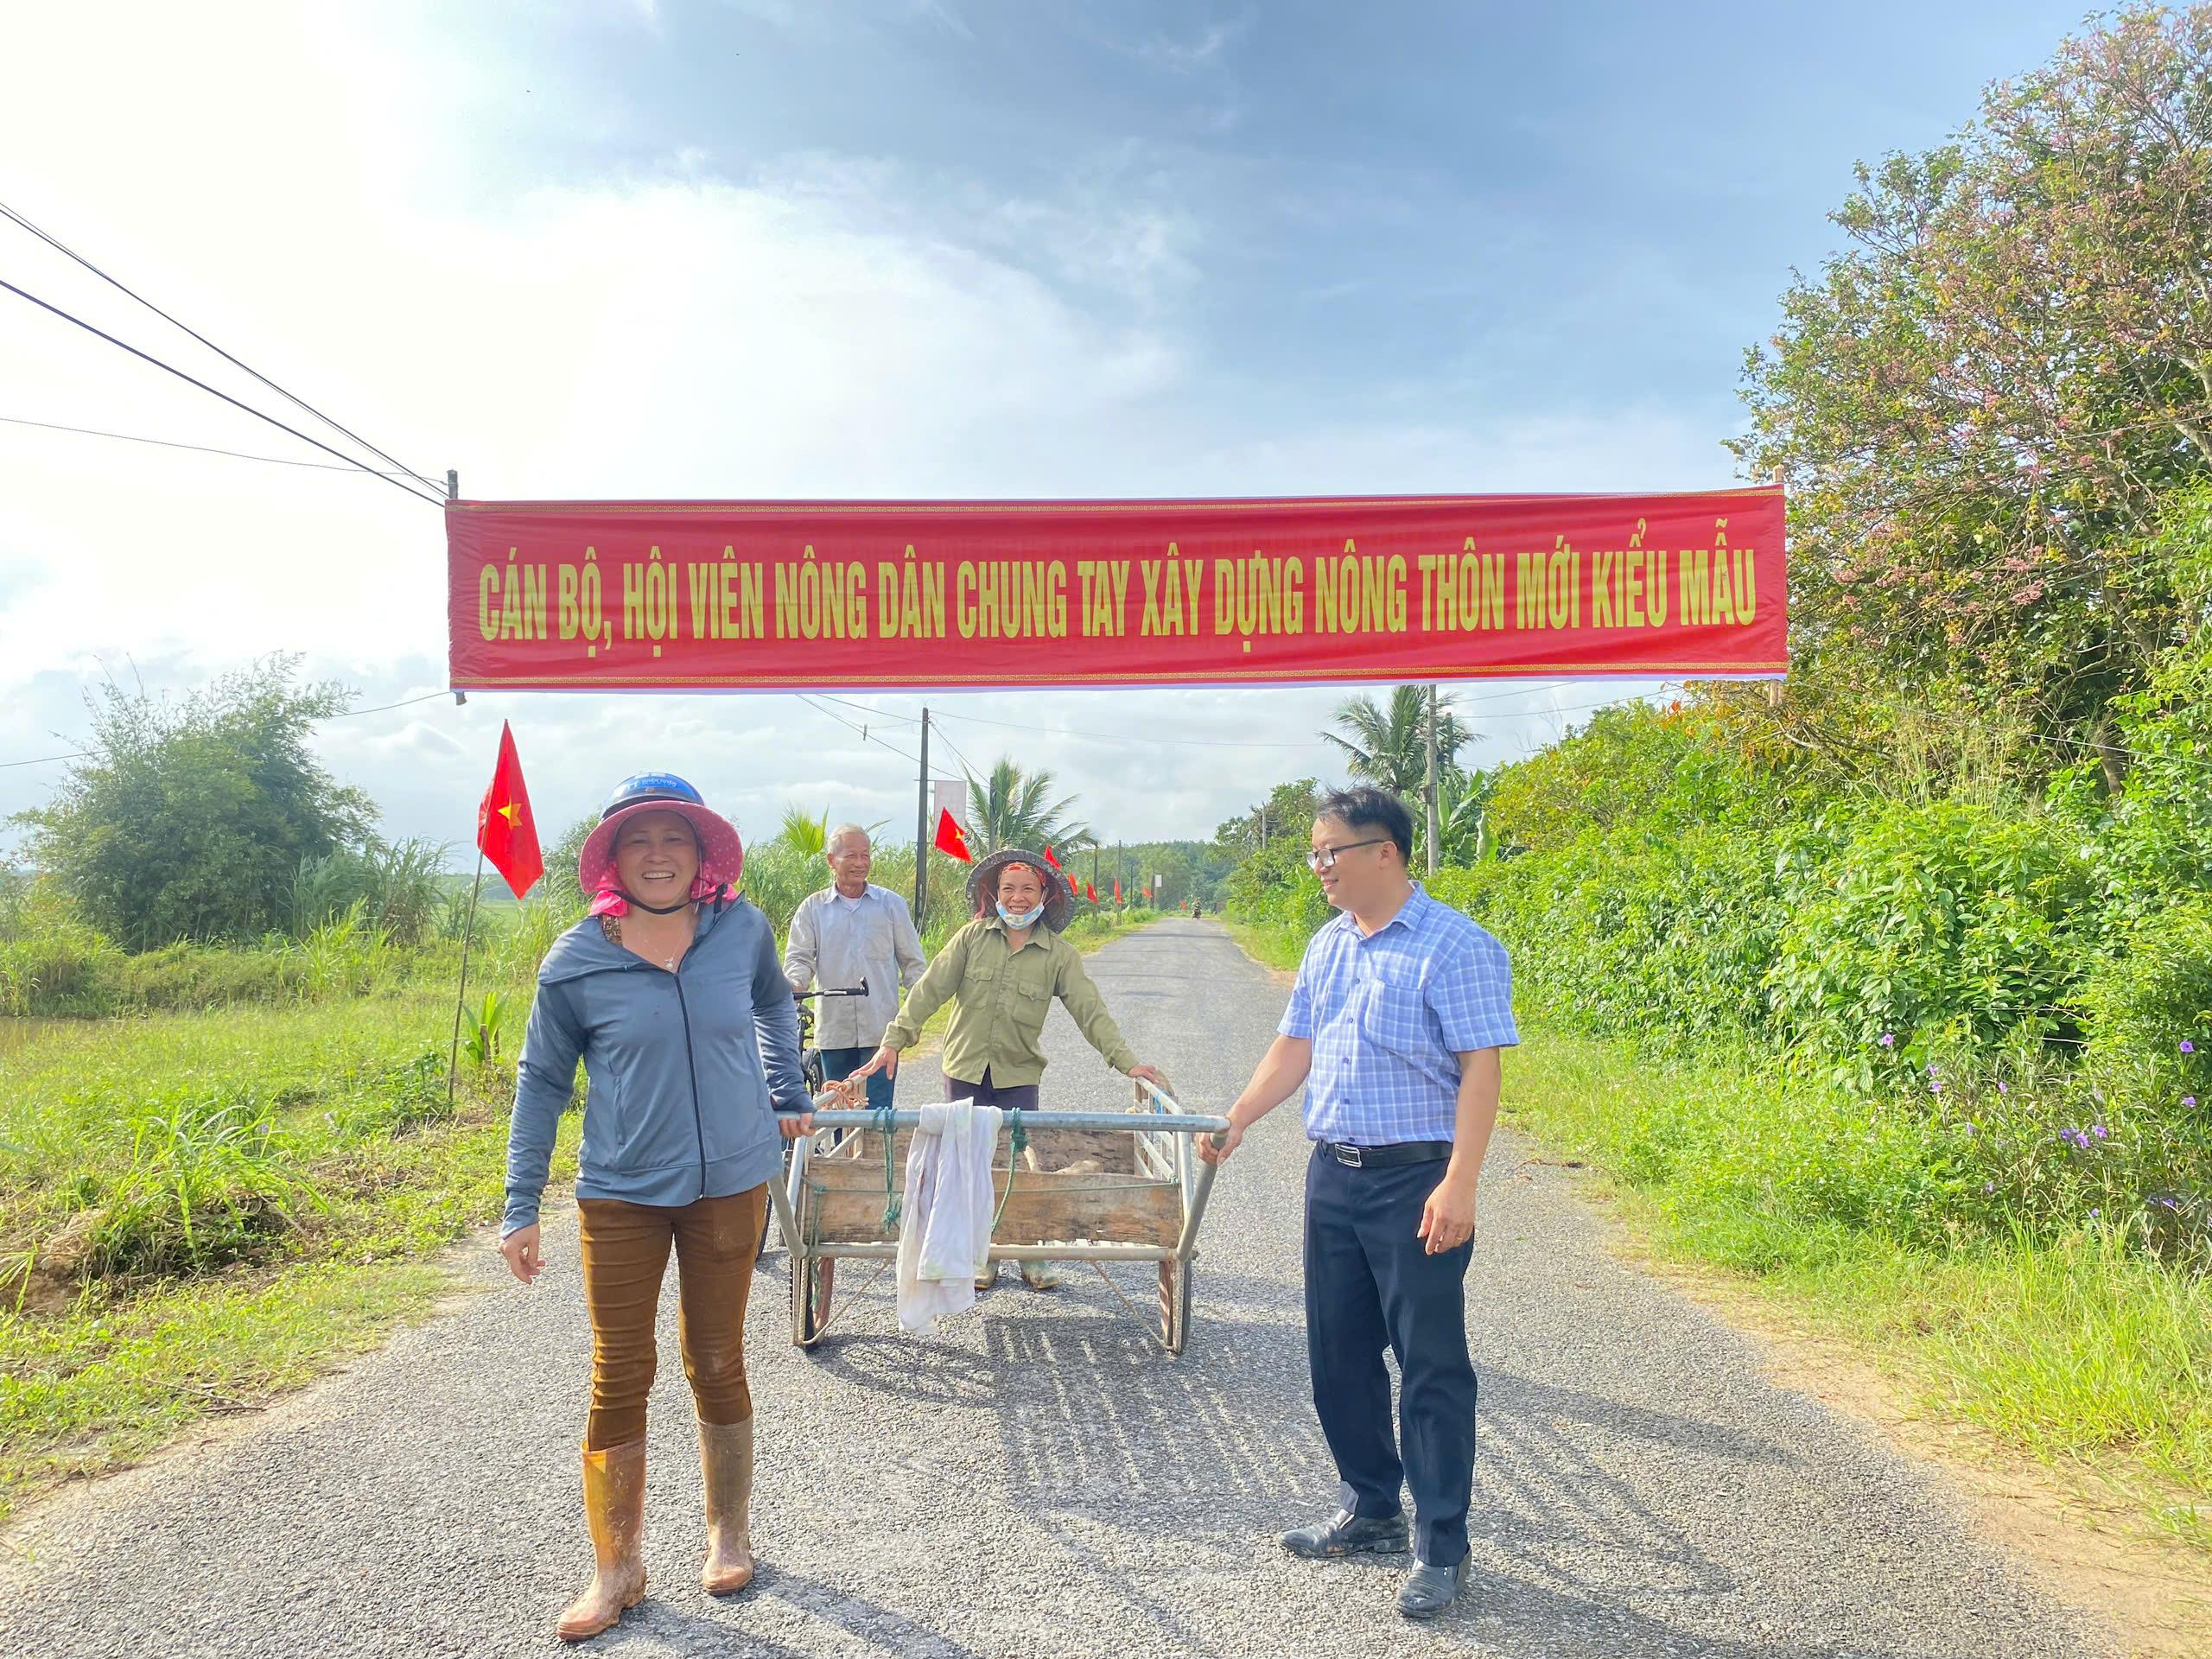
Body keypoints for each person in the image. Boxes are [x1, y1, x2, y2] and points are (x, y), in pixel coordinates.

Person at [499, 773, 814, 1642]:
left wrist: (786, 1084)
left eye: (674, 838)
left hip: (730, 1181)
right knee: (619, 1367)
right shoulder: (576, 960)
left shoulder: (739, 929)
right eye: (638, 841)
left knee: (715, 1356)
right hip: (623, 1191)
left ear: (700, 851)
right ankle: (616, 1566)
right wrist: (519, 1203)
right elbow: (541, 1083)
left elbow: (773, 1001)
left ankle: (729, 1531)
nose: (658, 855)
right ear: (613, 858)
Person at [1198, 786, 1516, 1620]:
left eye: (1329, 852)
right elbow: (1294, 1045)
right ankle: (1373, 1505)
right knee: (1337, 1356)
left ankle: (1443, 1544)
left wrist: (1462, 1182)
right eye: (1314, 853)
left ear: (1385, 852)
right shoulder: (1328, 945)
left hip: (1417, 1180)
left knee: (1431, 1365)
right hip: (1333, 1175)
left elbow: (1481, 1069)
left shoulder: (1456, 945)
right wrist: (1236, 1118)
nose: (1319, 868)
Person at [842, 848, 1167, 1291]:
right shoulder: (970, 939)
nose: (1017, 898)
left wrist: (1128, 1063)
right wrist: (894, 1040)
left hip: (1018, 1075)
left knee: (1020, 1161)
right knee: (967, 1160)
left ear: (1044, 896)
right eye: (1008, 889)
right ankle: (982, 1254)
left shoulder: (1058, 955)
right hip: (964, 1069)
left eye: (1027, 889)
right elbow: (929, 991)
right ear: (994, 894)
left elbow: (1091, 1012)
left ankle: (1029, 1253)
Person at [783, 823, 926, 1115]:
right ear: (831, 860)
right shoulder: (813, 909)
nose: (860, 863)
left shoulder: (891, 905)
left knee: (876, 1114)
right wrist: (794, 985)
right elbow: (799, 958)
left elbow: (913, 964)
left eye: (866, 855)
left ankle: (874, 1160)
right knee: (837, 1111)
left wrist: (916, 1016)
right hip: (835, 1030)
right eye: (851, 856)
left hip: (881, 1030)